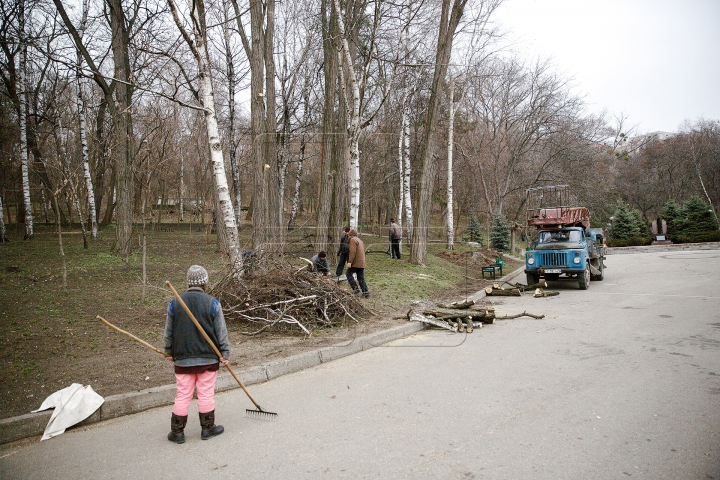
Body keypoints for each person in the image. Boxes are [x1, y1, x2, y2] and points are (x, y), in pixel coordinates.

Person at [164, 265, 230, 444]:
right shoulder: (212, 302)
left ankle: (177, 433)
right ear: (204, 282)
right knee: (206, 393)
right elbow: (221, 331)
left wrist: (168, 350)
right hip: (208, 359)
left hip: (183, 359)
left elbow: (168, 331)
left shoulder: (175, 302)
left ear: (188, 282)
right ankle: (207, 429)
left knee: (183, 395)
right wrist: (225, 352)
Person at [346, 229, 369, 297]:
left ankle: (355, 289)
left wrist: (350, 262)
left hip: (356, 262)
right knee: (360, 277)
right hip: (361, 262)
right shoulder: (360, 240)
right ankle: (365, 292)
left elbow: (352, 252)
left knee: (348, 274)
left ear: (351, 235)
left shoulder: (353, 240)